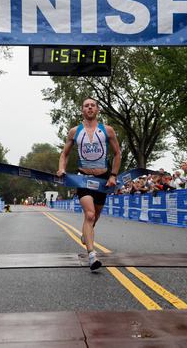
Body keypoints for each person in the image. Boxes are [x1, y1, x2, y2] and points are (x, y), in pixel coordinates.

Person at [57, 97, 121, 271]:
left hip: (103, 180)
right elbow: (64, 154)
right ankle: (92, 255)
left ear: (98, 110)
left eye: (93, 105)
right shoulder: (74, 132)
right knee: (90, 214)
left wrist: (113, 175)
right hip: (83, 179)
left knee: (96, 216)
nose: (90, 107)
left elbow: (117, 155)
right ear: (82, 111)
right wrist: (62, 168)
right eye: (86, 106)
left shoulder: (107, 130)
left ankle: (87, 231)